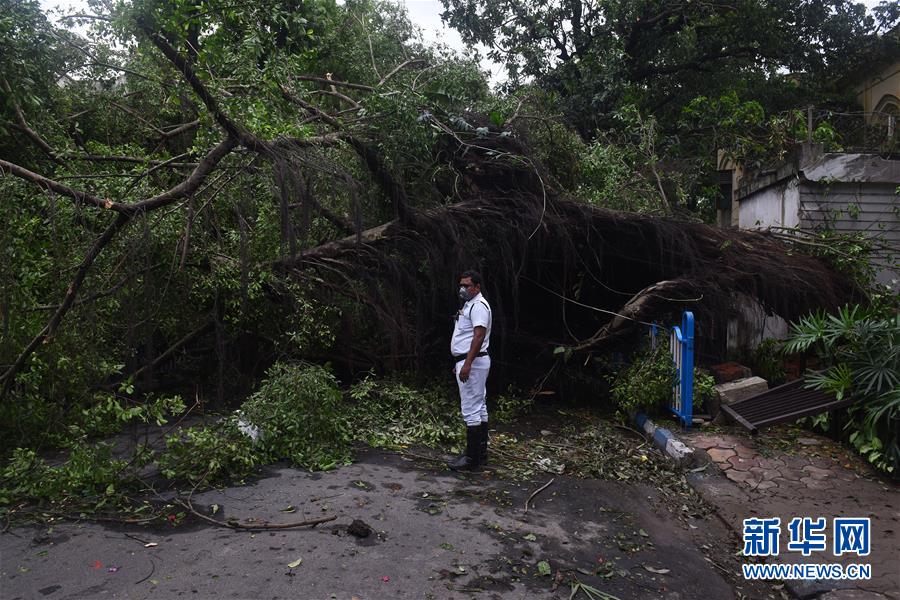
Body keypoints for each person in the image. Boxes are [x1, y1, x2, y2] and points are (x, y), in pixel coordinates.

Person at [448, 270, 492, 471]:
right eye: (461, 285)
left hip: (473, 362)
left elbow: (478, 336)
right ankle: (480, 454)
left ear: (477, 287)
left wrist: (466, 363)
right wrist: (460, 361)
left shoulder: (479, 306)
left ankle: (472, 459)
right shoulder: (470, 304)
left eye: (467, 285)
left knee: (471, 408)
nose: (462, 288)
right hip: (470, 361)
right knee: (479, 405)